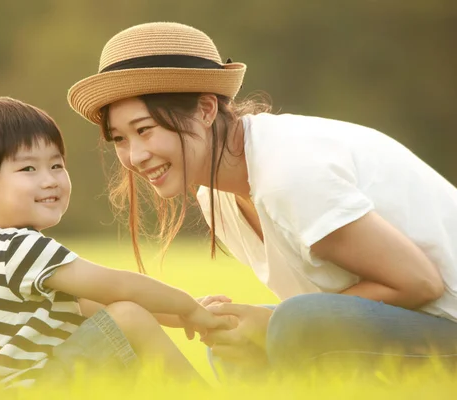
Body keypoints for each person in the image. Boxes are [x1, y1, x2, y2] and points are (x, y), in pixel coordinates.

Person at [67, 22, 457, 379]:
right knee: (235, 336)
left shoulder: (288, 170)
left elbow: (419, 282)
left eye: (145, 130)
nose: (134, 156)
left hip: (446, 319)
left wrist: (271, 324)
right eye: (120, 139)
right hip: (416, 322)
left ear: (205, 109)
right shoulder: (216, 196)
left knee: (294, 322)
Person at [0, 96, 235, 395]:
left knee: (121, 314)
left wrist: (185, 316)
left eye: (56, 165)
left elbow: (91, 304)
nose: (50, 180)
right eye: (28, 169)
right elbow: (119, 288)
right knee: (127, 317)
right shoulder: (17, 247)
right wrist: (187, 307)